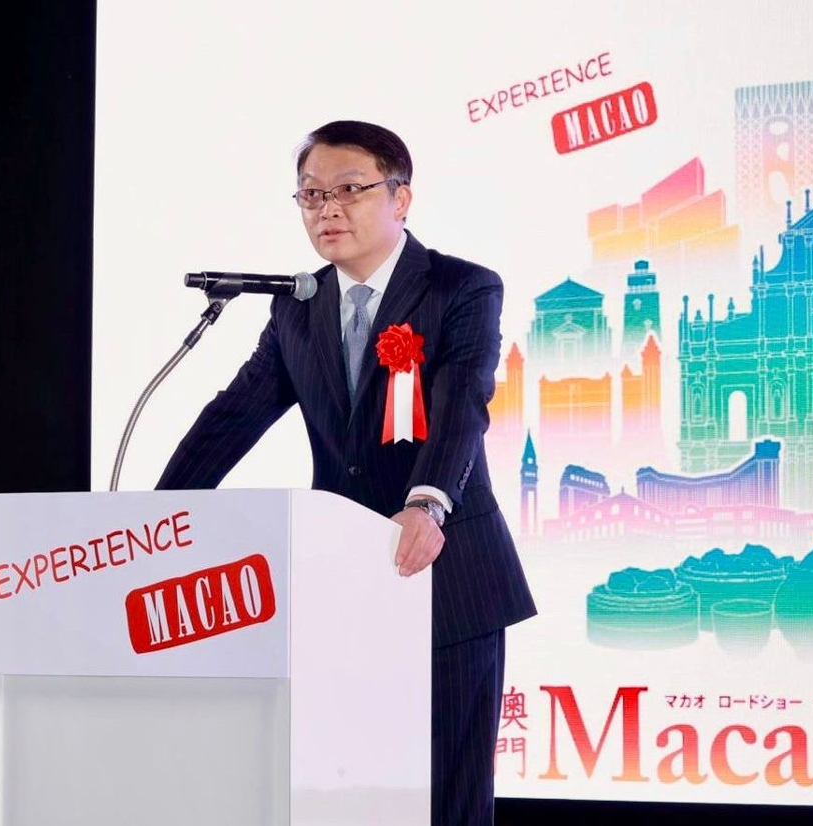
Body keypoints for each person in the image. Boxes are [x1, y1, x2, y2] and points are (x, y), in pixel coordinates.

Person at [157, 120, 536, 825]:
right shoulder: (297, 306)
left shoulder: (461, 288)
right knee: (346, 793)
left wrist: (428, 503)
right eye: (310, 195)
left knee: (449, 799)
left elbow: (462, 403)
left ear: (401, 199)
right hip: (340, 584)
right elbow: (235, 415)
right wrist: (158, 512)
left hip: (444, 573)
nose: (326, 209)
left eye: (349, 190)